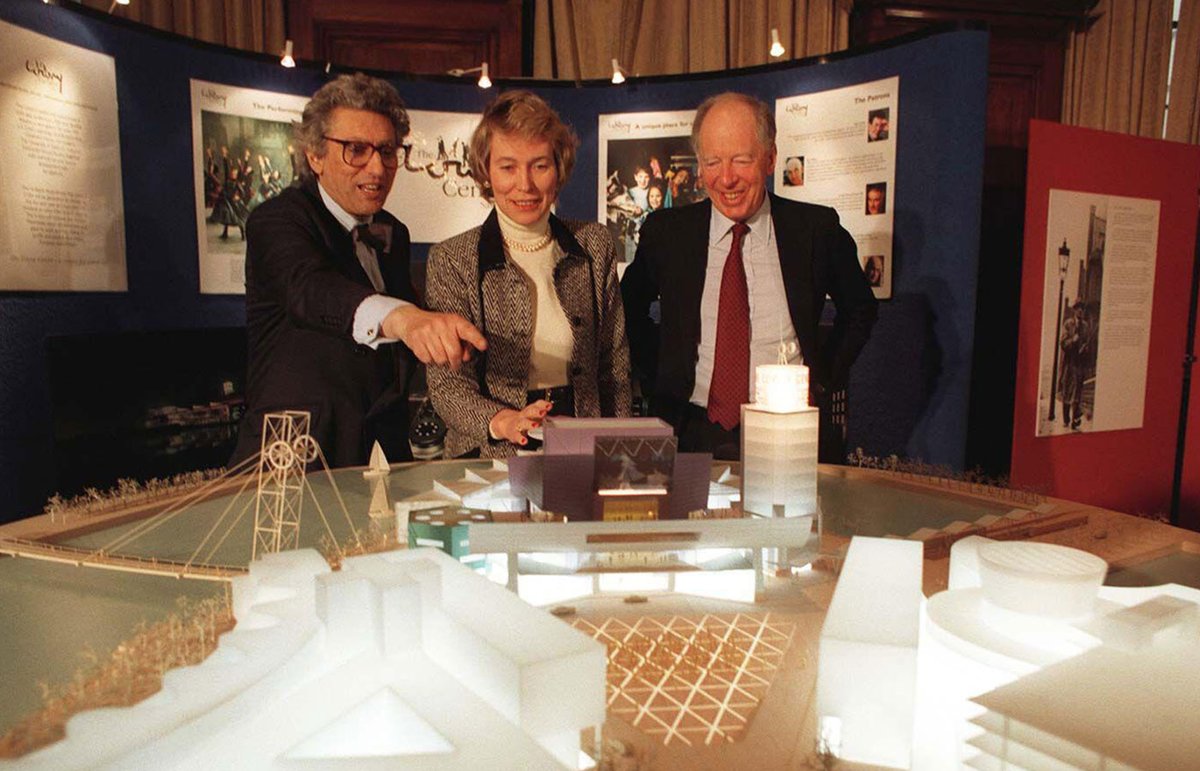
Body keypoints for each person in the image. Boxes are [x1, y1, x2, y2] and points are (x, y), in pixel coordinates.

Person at [231, 73, 486, 467]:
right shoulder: (277, 219)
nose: (377, 168)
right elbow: (310, 289)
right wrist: (403, 318)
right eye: (356, 150)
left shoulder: (393, 232)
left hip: (380, 455)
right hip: (295, 458)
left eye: (387, 151)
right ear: (314, 156)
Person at [622, 92, 877, 460]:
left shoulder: (815, 230)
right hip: (689, 432)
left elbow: (860, 309)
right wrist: (661, 374)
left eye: (741, 160)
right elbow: (627, 309)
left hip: (787, 429)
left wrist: (821, 378)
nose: (726, 179)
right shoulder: (667, 234)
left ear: (770, 158)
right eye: (712, 162)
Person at [426, 90, 632, 458]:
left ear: (559, 168)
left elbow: (614, 366)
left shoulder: (594, 244)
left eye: (539, 165)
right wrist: (502, 420)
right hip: (491, 452)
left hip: (583, 444)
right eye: (508, 167)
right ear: (485, 171)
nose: (525, 184)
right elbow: (447, 386)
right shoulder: (452, 259)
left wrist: (618, 449)